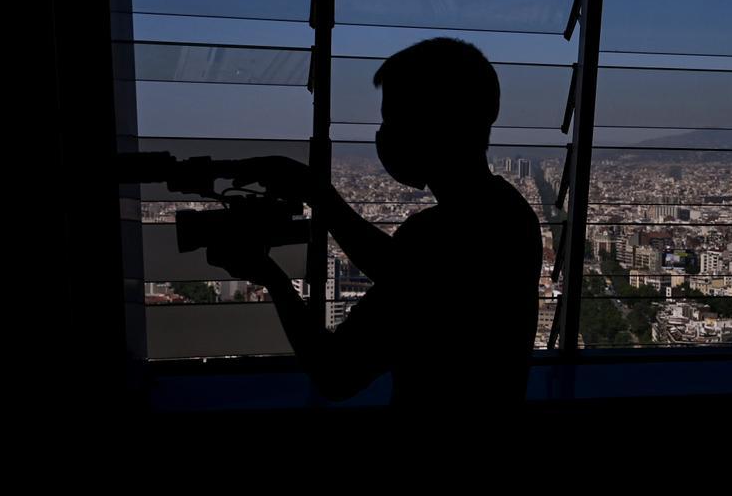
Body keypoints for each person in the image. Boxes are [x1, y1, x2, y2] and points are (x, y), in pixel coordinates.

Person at [208, 38, 543, 411]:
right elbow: (407, 272)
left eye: (394, 119)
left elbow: (336, 372)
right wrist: (320, 196)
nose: (384, 135)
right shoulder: (512, 216)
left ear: (431, 122)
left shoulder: (435, 235)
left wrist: (272, 275)